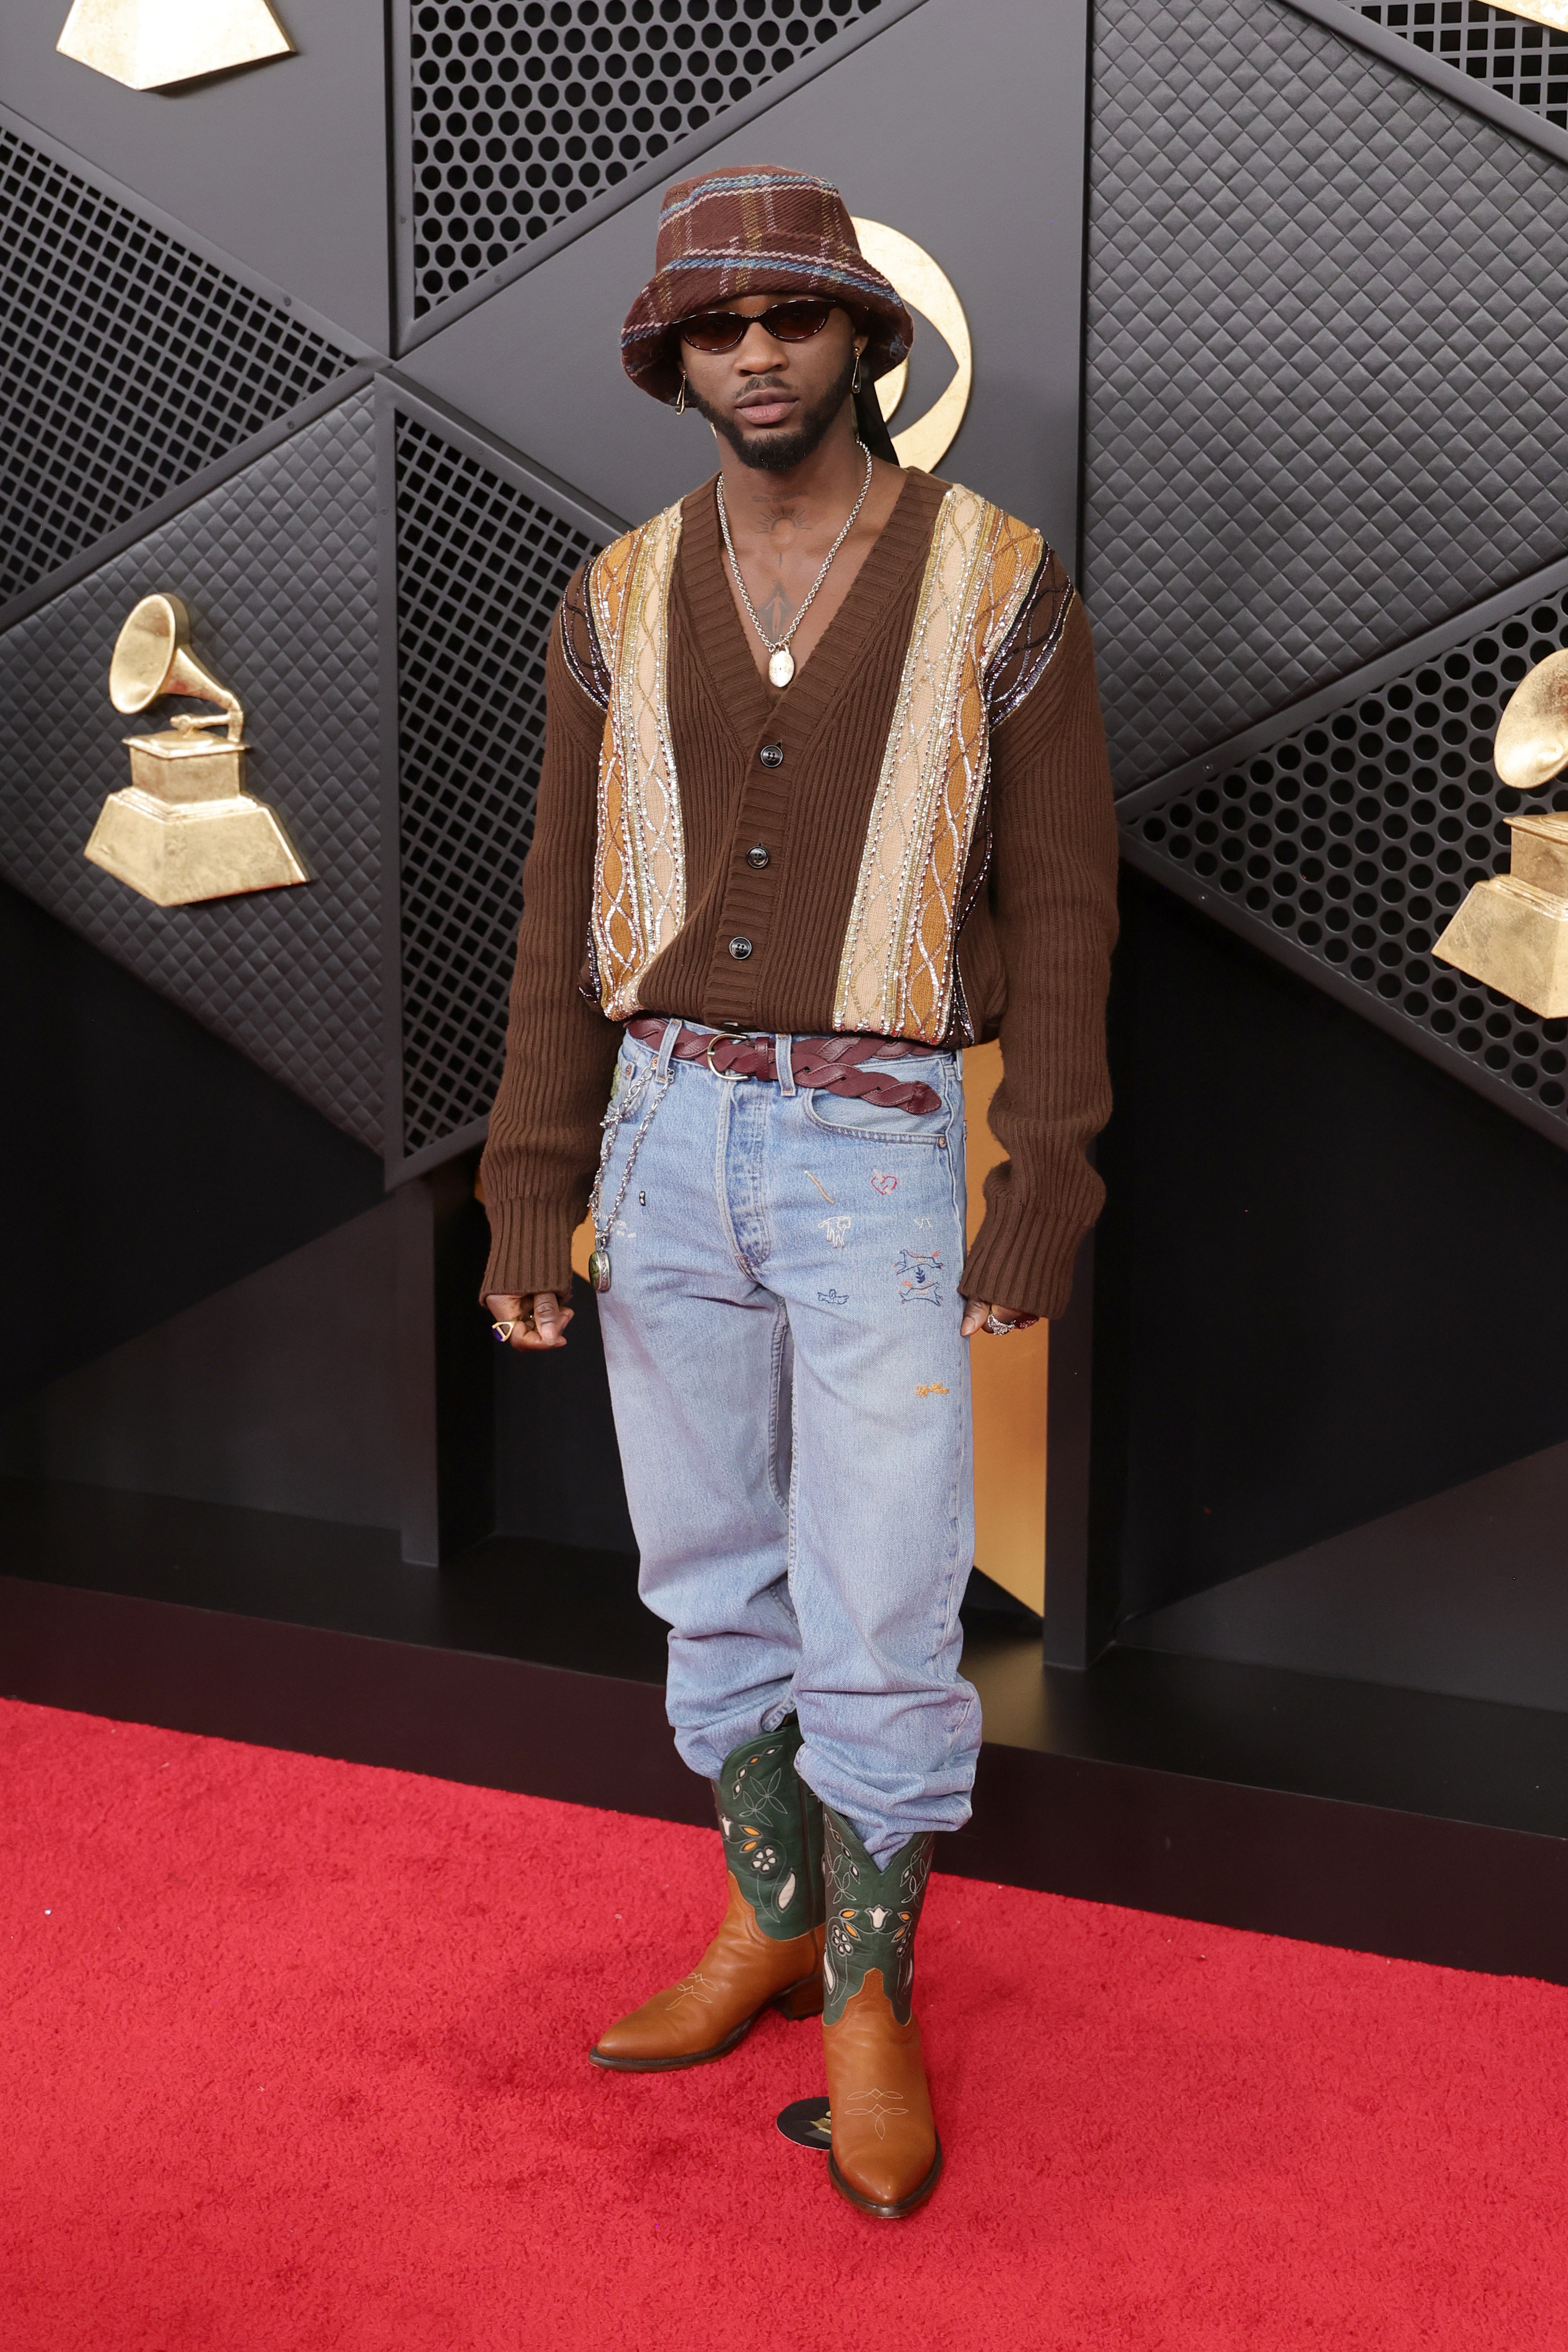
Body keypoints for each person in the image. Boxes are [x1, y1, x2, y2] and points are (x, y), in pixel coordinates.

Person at [480, 165, 1118, 2220]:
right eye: (715, 327)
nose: (755, 354)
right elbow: (558, 913)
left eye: (790, 316)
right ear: (673, 362)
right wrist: (528, 1187)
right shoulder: (611, 594)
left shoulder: (998, 582)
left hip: (868, 1138)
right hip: (661, 1135)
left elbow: (1067, 906)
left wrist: (1045, 1169)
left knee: (882, 1592)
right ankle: (767, 1916)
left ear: (861, 338)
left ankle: (868, 1994)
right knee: (705, 1567)